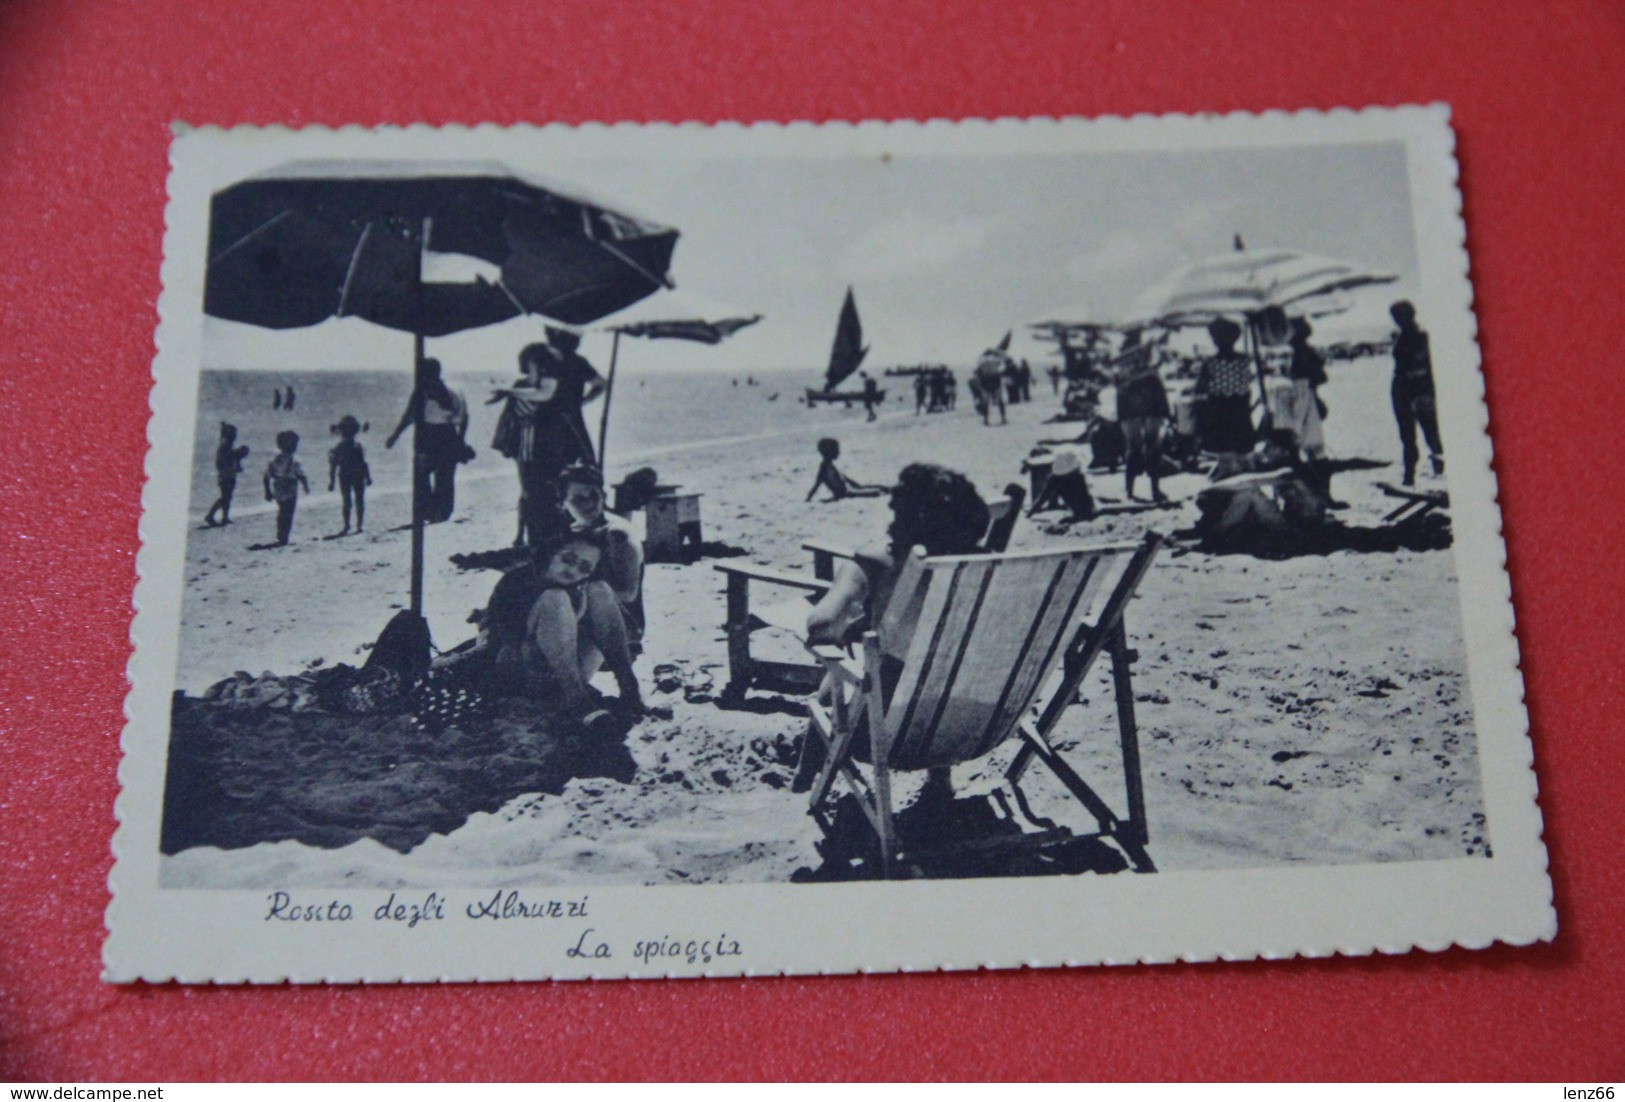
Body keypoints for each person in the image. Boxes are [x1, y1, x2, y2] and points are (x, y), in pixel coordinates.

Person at [796, 463, 988, 798]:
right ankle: (939, 779)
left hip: (881, 734)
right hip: (973, 726)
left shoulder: (876, 562)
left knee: (841, 671)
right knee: (939, 663)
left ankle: (804, 778)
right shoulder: (987, 566)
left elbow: (822, 625)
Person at [476, 533, 642, 724]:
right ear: (553, 553)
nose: (572, 570)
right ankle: (578, 702)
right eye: (568, 559)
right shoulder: (517, 580)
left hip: (563, 673)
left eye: (584, 567)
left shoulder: (581, 586)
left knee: (600, 589)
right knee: (555, 598)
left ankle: (629, 688)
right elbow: (505, 643)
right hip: (520, 672)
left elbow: (630, 634)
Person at [491, 330, 606, 547]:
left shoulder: (546, 358)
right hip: (574, 431)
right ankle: (573, 534)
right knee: (575, 482)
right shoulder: (578, 362)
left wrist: (509, 392)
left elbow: (545, 393)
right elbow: (601, 383)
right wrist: (581, 402)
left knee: (538, 488)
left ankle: (542, 541)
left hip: (546, 434)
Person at [558, 462, 644, 655]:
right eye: (579, 499)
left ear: (603, 494)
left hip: (620, 626)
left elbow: (628, 593)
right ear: (563, 503)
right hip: (582, 619)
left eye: (594, 495)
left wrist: (570, 595)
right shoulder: (575, 530)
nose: (589, 503)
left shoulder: (616, 534)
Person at [386, 358, 469, 526]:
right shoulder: (456, 389)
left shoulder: (423, 391)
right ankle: (442, 513)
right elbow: (465, 417)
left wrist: (395, 436)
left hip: (428, 435)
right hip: (450, 434)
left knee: (421, 475)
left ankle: (428, 511)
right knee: (446, 476)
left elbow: (409, 416)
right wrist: (460, 439)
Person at [1193, 317, 1256, 477]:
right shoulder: (1244, 360)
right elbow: (1248, 385)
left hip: (1220, 413)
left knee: (1226, 459)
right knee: (1244, 457)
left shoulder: (1211, 363)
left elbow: (1200, 390)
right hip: (1241, 412)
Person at [1389, 301, 1444, 485]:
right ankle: (1409, 475)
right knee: (1409, 437)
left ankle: (1439, 471)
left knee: (1431, 433)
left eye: (1398, 316)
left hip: (1418, 389)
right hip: (1403, 391)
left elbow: (1428, 368)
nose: (1397, 321)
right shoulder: (1404, 338)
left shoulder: (1421, 338)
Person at [1114, 329, 1171, 503]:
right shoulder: (1146, 353)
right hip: (1150, 399)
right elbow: (1156, 371)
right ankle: (1154, 490)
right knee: (1153, 446)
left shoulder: (1121, 359)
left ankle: (1130, 491)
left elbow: (1119, 385)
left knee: (1133, 447)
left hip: (1129, 405)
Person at [262, 430, 310, 546]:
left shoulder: (275, 459)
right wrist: (306, 486)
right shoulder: (295, 460)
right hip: (291, 487)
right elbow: (301, 475)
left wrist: (267, 491)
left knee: (282, 511)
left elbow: (267, 475)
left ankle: (280, 533)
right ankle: (285, 536)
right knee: (289, 513)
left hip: (278, 486)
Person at [327, 414, 372, 535]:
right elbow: (364, 463)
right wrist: (368, 477)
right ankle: (359, 525)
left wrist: (332, 482)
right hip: (357, 475)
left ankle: (348, 525)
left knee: (347, 501)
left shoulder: (339, 447)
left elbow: (333, 466)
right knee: (359, 500)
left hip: (345, 476)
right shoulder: (358, 446)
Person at [805, 437, 887, 502]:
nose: (838, 452)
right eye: (836, 450)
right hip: (845, 493)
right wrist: (809, 498)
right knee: (877, 491)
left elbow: (843, 480)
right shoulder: (825, 467)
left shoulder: (827, 465)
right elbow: (817, 483)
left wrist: (858, 486)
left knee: (878, 488)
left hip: (847, 490)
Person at [203, 422, 250, 527]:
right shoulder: (225, 445)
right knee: (225, 497)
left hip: (227, 475)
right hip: (226, 476)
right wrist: (239, 454)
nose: (235, 436)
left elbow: (230, 459)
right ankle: (210, 515)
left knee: (227, 497)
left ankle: (225, 517)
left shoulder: (225, 444)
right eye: (233, 434)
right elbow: (228, 458)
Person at [973, 350, 1007, 426]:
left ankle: (986, 420)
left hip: (985, 383)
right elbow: (1002, 366)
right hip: (995, 381)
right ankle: (1003, 418)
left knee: (985, 402)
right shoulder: (996, 361)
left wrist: (978, 385)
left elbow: (977, 373)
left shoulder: (981, 362)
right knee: (1000, 401)